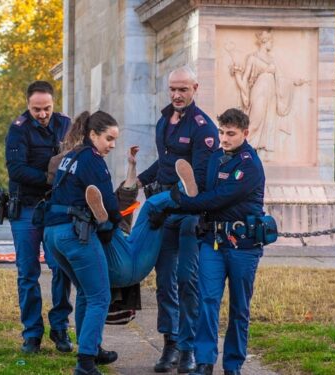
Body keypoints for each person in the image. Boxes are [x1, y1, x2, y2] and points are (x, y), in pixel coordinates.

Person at [169, 108, 267, 375]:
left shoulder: (250, 164)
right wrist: (174, 194)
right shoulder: (216, 158)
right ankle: (204, 361)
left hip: (243, 247)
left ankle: (233, 365)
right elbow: (201, 184)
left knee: (239, 308)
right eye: (222, 132)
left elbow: (220, 197)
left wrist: (187, 204)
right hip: (212, 241)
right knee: (207, 302)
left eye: (231, 134)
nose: (224, 138)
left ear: (245, 133)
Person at [136, 66, 220, 373]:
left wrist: (166, 200)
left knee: (187, 282)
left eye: (183, 89)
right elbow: (165, 163)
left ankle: (188, 349)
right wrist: (136, 182)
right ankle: (169, 343)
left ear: (195, 88)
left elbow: (198, 180)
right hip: (164, 215)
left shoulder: (204, 128)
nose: (176, 95)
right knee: (164, 282)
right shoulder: (164, 121)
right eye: (172, 89)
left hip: (189, 216)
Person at [43, 110, 122, 375]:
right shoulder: (93, 160)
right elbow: (109, 202)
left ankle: (91, 349)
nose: (112, 145)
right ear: (92, 134)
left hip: (53, 235)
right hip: (76, 235)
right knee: (101, 296)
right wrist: (118, 222)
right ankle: (86, 363)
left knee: (87, 294)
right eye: (108, 138)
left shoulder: (71, 156)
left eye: (115, 140)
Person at [4, 81, 73, 354]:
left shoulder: (65, 125)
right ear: (28, 105)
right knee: (28, 273)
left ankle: (60, 328)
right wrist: (51, 180)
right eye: (36, 109)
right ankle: (32, 334)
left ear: (54, 104)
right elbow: (16, 170)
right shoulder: (18, 130)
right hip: (26, 209)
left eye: (47, 108)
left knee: (62, 268)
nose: (42, 114)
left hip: (56, 208)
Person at [228, 29, 309, 160]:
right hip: (259, 91)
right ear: (264, 42)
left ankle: (260, 152)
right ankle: (242, 149)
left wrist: (294, 82)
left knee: (269, 122)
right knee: (255, 120)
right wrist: (242, 86)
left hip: (271, 94)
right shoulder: (253, 58)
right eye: (270, 41)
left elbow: (282, 78)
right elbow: (244, 79)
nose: (271, 44)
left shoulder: (272, 60)